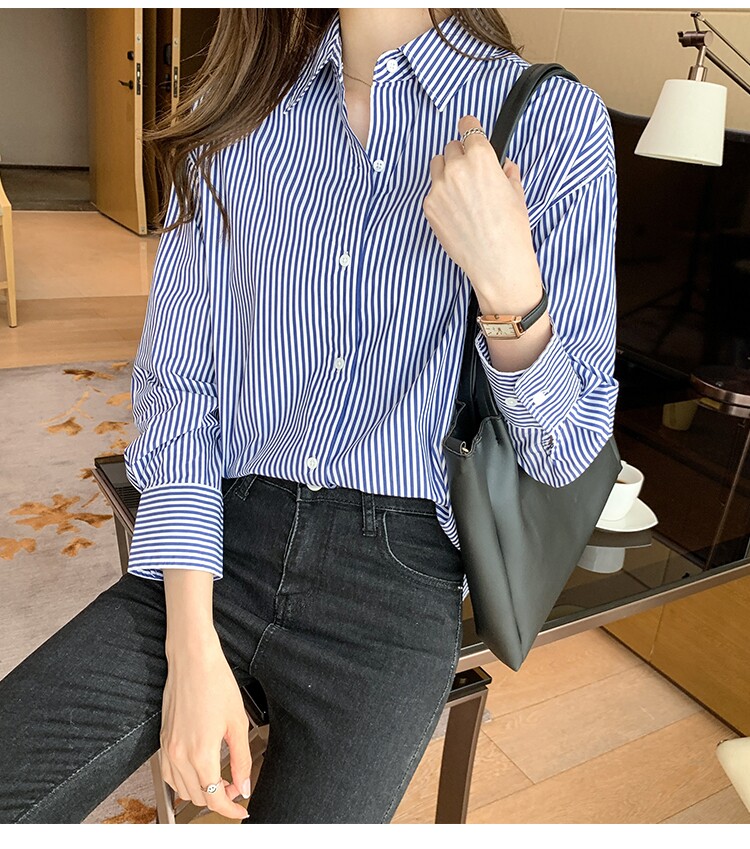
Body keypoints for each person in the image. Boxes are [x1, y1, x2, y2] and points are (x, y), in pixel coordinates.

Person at [0, 8, 618, 824]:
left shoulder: (551, 120)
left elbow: (567, 451)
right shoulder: (239, 113)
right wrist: (191, 644)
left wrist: (508, 285)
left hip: (396, 583)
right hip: (225, 534)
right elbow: (178, 385)